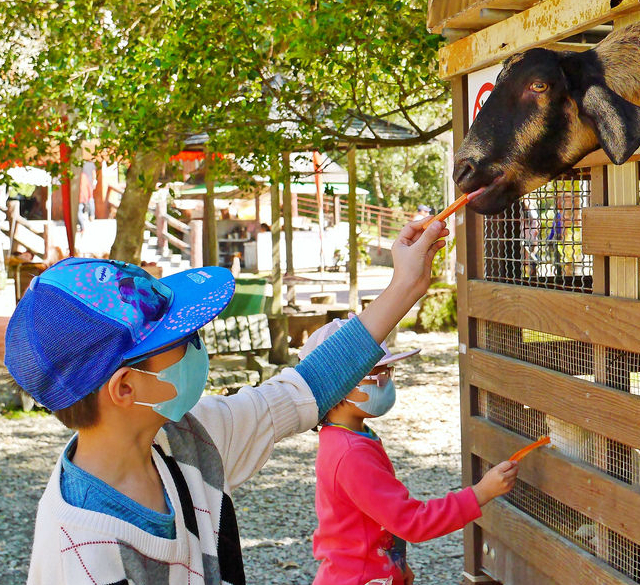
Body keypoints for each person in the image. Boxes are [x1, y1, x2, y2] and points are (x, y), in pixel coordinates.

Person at [5, 218, 449, 585]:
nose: (198, 349)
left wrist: (405, 286)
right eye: (182, 339)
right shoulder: (78, 557)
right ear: (125, 388)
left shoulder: (189, 438)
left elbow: (305, 388)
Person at [308, 319, 519, 585]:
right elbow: (411, 521)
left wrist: (395, 566)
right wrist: (481, 493)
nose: (385, 383)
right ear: (336, 385)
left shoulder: (346, 437)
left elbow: (375, 517)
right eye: (376, 375)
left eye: (388, 372)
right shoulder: (352, 454)